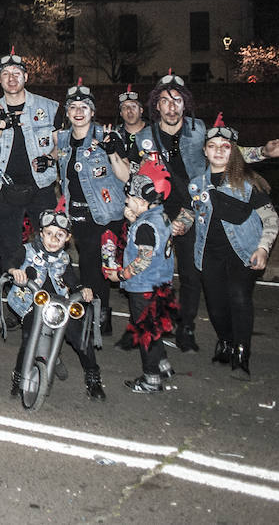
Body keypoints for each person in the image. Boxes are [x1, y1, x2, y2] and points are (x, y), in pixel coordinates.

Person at [144, 70, 279, 353]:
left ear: (184, 103)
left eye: (177, 100)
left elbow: (227, 152)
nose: (172, 106)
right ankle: (151, 323)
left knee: (190, 274)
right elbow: (134, 173)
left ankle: (186, 327)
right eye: (165, 101)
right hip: (157, 213)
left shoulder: (199, 130)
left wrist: (264, 151)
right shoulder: (145, 136)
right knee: (151, 271)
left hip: (195, 210)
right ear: (157, 105)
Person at [183, 114, 279, 379]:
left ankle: (241, 351)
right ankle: (225, 340)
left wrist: (263, 248)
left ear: (234, 151)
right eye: (212, 146)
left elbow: (271, 218)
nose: (218, 151)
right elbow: (190, 213)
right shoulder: (197, 184)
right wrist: (172, 227)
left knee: (239, 298)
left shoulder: (248, 183)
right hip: (209, 254)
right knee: (215, 306)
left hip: (243, 252)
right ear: (204, 150)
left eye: (225, 147)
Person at [50, 79, 129, 337]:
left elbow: (125, 175)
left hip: (106, 215)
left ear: (93, 111)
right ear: (68, 112)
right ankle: (96, 314)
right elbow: (57, 163)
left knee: (97, 266)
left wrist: (113, 153)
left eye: (84, 106)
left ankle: (100, 314)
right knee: (88, 266)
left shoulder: (106, 136)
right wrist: (43, 160)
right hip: (79, 213)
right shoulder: (62, 140)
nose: (79, 111)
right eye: (73, 107)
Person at [5, 208, 106, 401]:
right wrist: (14, 271)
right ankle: (19, 378)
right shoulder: (27, 250)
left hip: (58, 305)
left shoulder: (64, 258)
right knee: (28, 339)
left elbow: (71, 279)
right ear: (41, 233)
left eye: (59, 235)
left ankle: (93, 379)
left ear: (67, 238)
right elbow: (10, 262)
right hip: (31, 303)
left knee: (80, 338)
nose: (53, 239)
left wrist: (82, 289)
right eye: (49, 234)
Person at [0, 51, 60, 273]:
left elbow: (62, 145)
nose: (11, 78)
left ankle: (51, 285)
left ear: (26, 77)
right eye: (5, 74)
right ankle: (13, 288)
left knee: (50, 236)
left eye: (16, 73)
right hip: (5, 187)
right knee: (9, 243)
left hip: (41, 185)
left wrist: (50, 158)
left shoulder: (50, 108)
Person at [105, 160, 178, 394]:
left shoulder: (145, 226)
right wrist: (133, 220)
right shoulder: (162, 217)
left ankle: (151, 378)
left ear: (140, 200)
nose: (126, 201)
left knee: (146, 332)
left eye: (129, 198)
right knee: (155, 326)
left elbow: (144, 259)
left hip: (144, 288)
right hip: (161, 283)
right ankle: (163, 365)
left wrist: (120, 275)